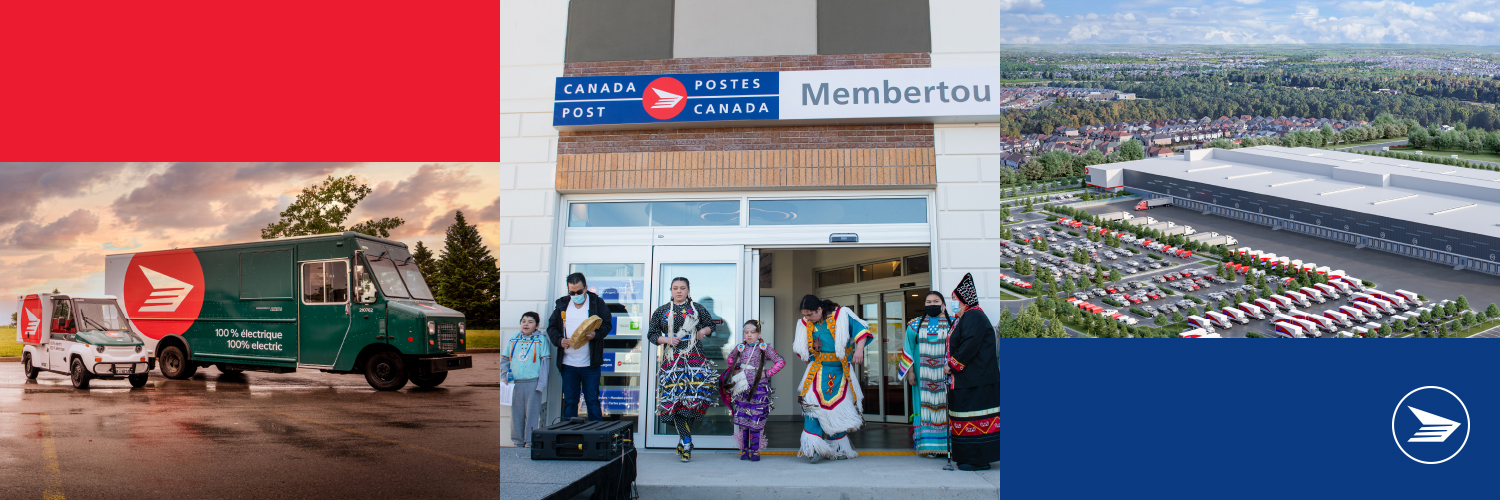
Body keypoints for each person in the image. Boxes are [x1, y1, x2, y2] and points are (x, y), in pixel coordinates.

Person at [793, 294, 873, 463]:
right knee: (811, 405)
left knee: (837, 406)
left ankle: (838, 447)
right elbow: (802, 350)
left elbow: (861, 329)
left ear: (820, 309)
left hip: (840, 370)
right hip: (816, 369)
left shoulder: (841, 315)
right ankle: (814, 447)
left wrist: (859, 349)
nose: (807, 318)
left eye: (810, 314)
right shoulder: (805, 323)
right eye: (805, 315)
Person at [646, 277, 717, 462]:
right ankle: (686, 441)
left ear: (688, 289)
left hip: (695, 359)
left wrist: (703, 331)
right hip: (672, 360)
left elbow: (711, 326)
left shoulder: (697, 308)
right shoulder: (662, 311)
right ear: (670, 290)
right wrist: (667, 340)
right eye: (675, 288)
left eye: (682, 288)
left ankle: (684, 440)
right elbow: (652, 334)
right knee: (676, 401)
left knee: (692, 401)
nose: (679, 291)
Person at [944, 273, 1000, 471]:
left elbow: (969, 345)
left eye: (954, 299)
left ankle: (978, 460)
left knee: (975, 418)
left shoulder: (974, 315)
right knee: (965, 418)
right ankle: (968, 457)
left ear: (963, 301)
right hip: (968, 380)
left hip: (977, 381)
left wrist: (952, 365)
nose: (953, 303)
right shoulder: (965, 317)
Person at [546, 272, 612, 422]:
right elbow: (551, 328)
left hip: (590, 364)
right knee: (570, 402)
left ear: (586, 288)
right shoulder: (562, 304)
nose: (575, 294)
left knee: (592, 401)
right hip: (568, 364)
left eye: (579, 291)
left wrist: (596, 334)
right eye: (572, 292)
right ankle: (569, 438)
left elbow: (608, 325)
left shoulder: (596, 302)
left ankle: (596, 438)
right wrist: (559, 340)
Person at [898, 291, 952, 458]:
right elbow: (908, 348)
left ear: (943, 304)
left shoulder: (953, 324)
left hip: (946, 376)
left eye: (936, 301)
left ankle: (947, 445)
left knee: (946, 408)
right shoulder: (914, 325)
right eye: (928, 302)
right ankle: (928, 447)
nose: (932, 304)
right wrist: (911, 372)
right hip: (922, 377)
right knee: (924, 408)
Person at [722, 320, 785, 462]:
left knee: (756, 420)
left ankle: (755, 451)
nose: (749, 335)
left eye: (752, 332)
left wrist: (768, 373)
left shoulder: (764, 348)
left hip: (759, 389)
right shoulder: (740, 348)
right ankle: (744, 450)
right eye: (746, 333)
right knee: (744, 420)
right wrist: (736, 367)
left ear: (759, 333)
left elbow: (780, 361)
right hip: (742, 388)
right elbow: (730, 358)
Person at [501, 312, 550, 447]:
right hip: (516, 384)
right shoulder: (513, 339)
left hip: (533, 383)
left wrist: (541, 384)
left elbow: (545, 364)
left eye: (530, 322)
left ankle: (529, 441)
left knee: (532, 414)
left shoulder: (541, 340)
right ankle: (518, 441)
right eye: (523, 321)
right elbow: (504, 360)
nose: (526, 324)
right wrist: (505, 376)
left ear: (537, 325)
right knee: (516, 414)